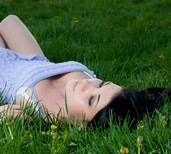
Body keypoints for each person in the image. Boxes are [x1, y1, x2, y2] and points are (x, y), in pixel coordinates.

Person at [0, 15, 170, 128]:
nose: (87, 84)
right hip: (34, 60)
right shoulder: (98, 91)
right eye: (102, 84)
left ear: (82, 126)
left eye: (91, 99)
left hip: (3, 67)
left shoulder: (42, 114)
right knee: (10, 20)